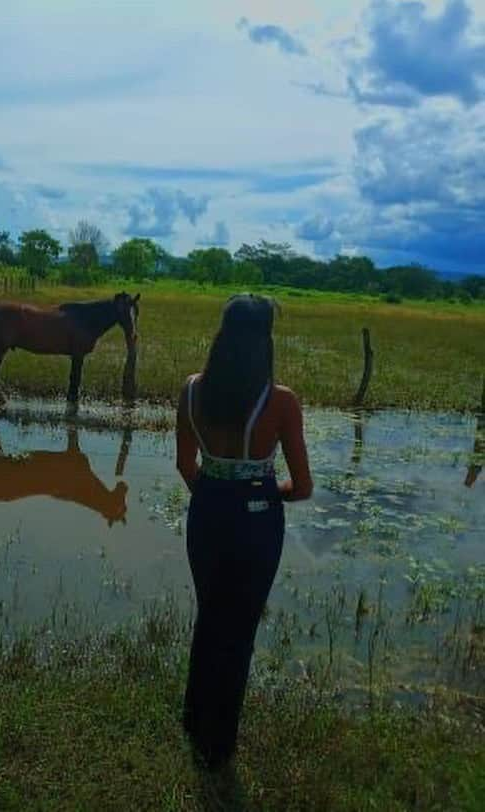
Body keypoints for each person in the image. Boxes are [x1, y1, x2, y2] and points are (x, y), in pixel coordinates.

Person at [175, 293, 313, 769]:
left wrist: (214, 492)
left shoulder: (192, 389)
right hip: (257, 516)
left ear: (222, 334)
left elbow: (184, 466)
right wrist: (265, 496)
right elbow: (303, 486)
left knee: (210, 616)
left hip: (206, 509)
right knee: (239, 629)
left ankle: (194, 720)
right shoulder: (281, 402)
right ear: (265, 341)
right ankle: (219, 743)